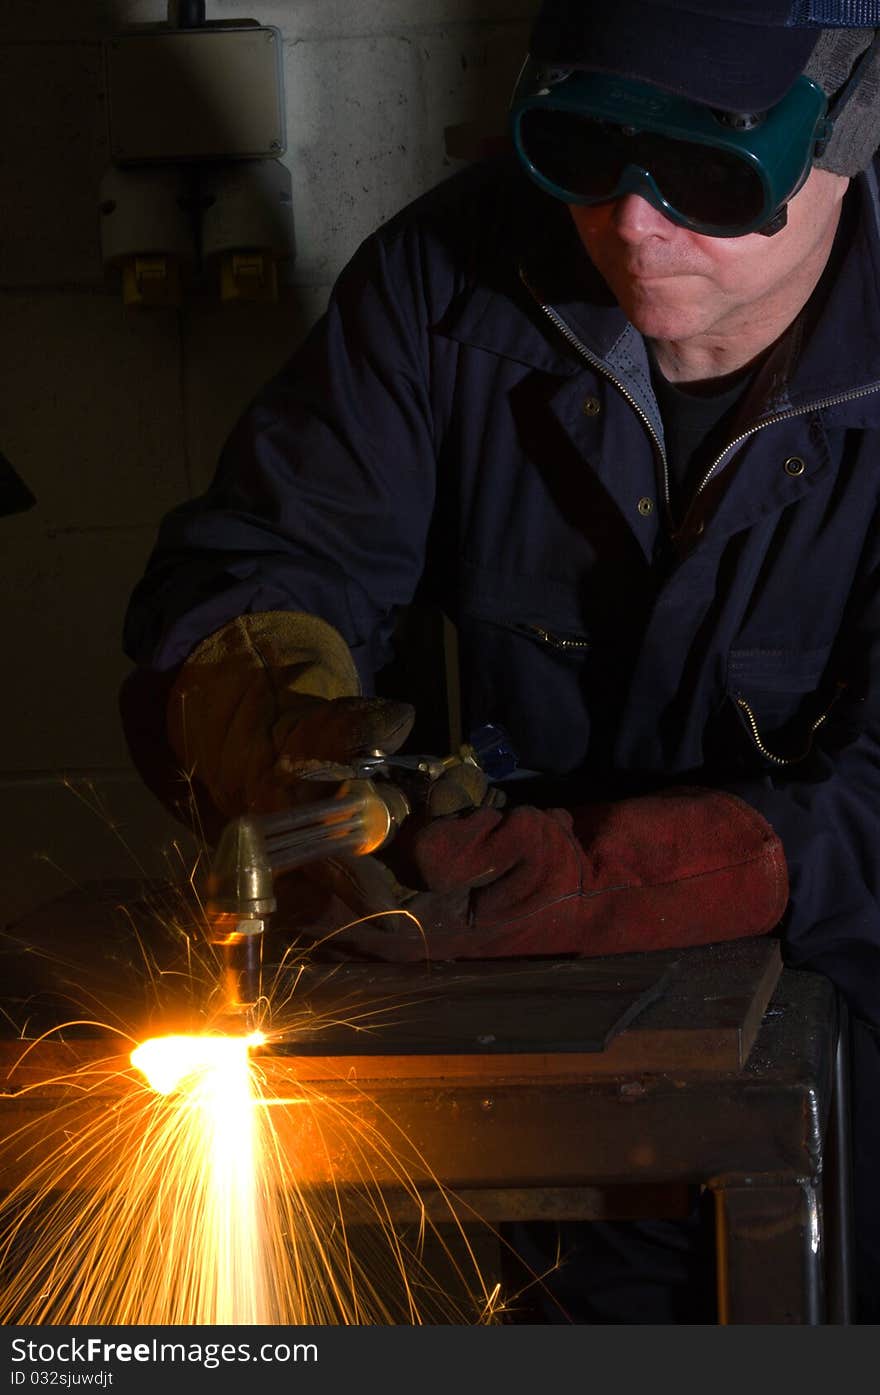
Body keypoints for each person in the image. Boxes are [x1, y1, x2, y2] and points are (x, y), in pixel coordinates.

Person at [121, 0, 880, 1323]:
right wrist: (282, 721)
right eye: (586, 153)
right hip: (513, 1075)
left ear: (852, 124)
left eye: (707, 169)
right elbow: (264, 563)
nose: (634, 226)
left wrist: (630, 874)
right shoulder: (449, 277)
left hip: (843, 1084)